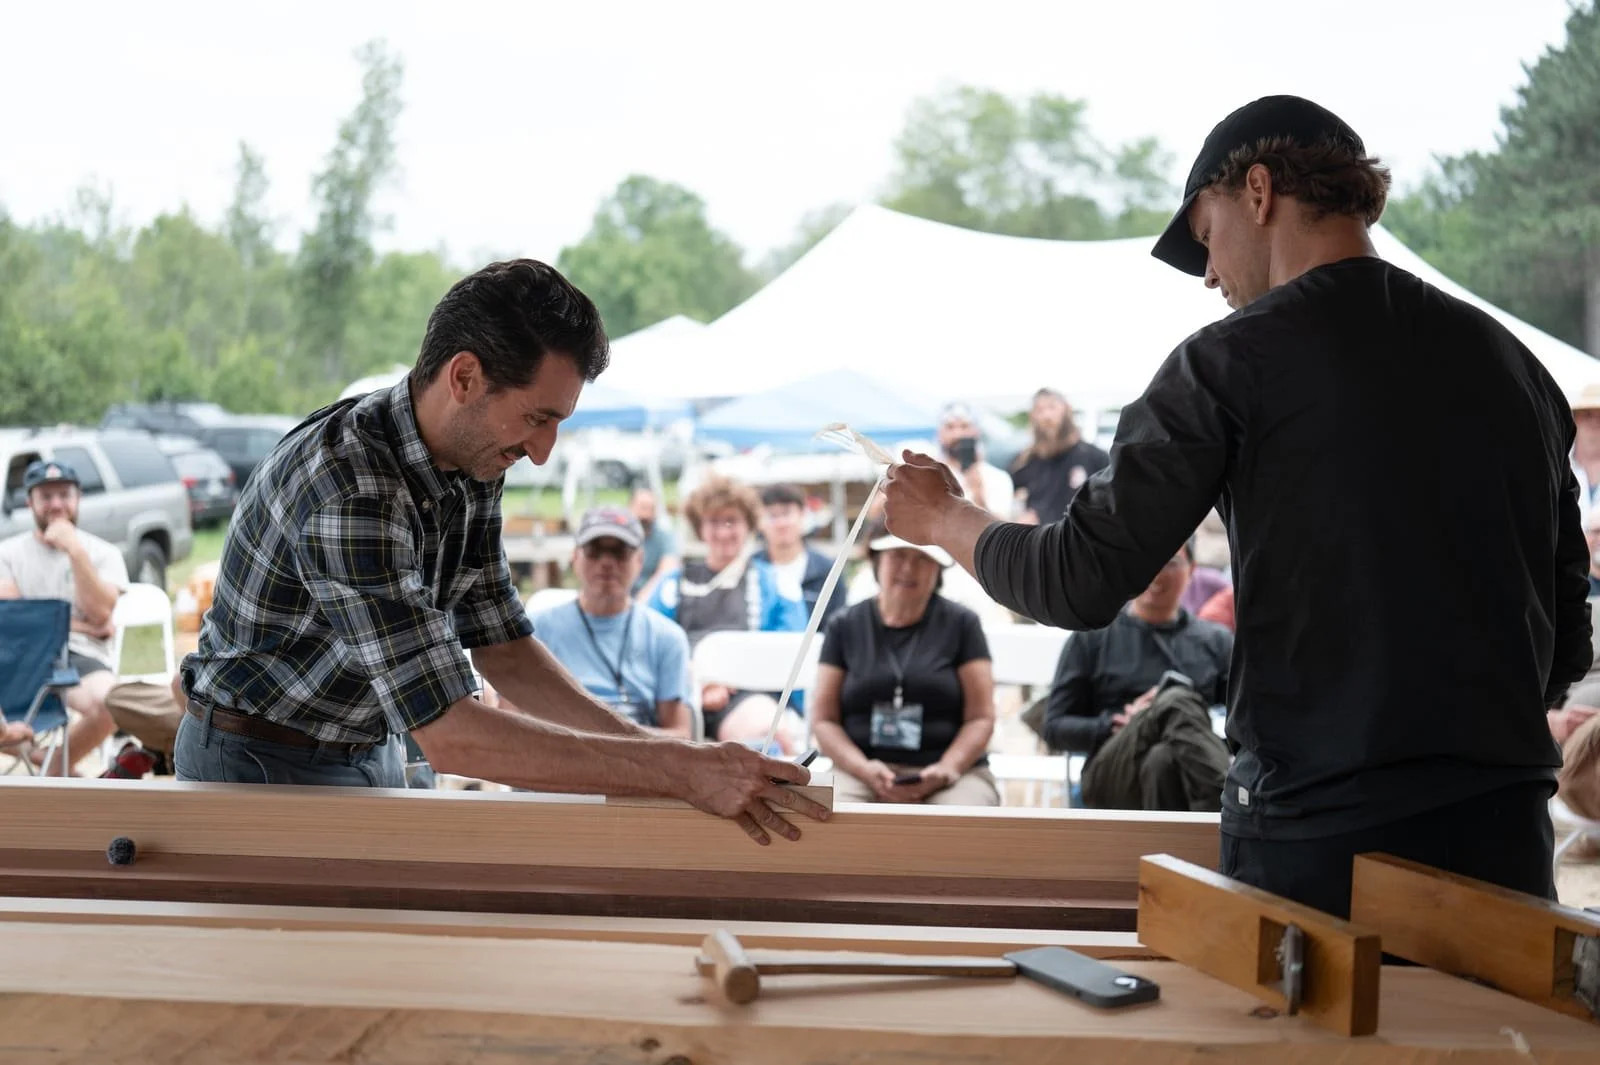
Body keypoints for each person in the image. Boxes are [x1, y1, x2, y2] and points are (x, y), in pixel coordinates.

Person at [882, 94, 1588, 914]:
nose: (1210, 274)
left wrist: (944, 519)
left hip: (1323, 840)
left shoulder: (1228, 363)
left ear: (1259, 192)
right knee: (1488, 1045)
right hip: (1502, 831)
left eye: (1207, 238)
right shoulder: (1513, 364)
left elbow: (1075, 580)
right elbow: (1566, 628)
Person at [177, 260, 823, 846]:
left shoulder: (476, 455)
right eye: (538, 418)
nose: (543, 449)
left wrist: (652, 750)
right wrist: (676, 768)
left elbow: (502, 644)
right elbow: (452, 731)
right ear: (464, 376)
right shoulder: (348, 485)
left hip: (369, 741)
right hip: (258, 758)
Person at [1040, 541, 1232, 811]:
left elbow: (1242, 720)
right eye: (1146, 562)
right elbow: (1054, 728)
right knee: (1175, 697)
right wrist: (1116, 722)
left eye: (1170, 563)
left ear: (1192, 570)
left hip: (1182, 770)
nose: (1156, 573)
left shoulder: (1216, 641)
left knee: (1161, 759)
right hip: (1111, 771)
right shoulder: (1093, 638)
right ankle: (1224, 805)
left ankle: (1172, 849)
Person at [811, 534, 998, 805]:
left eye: (923, 558)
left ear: (938, 569)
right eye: (897, 556)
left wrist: (946, 769)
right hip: (857, 770)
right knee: (831, 815)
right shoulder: (844, 625)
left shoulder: (963, 624)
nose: (909, 568)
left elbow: (980, 717)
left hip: (952, 771)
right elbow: (824, 720)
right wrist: (863, 769)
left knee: (962, 822)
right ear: (876, 561)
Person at [648, 475, 807, 750]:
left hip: (745, 697)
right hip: (678, 695)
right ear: (700, 528)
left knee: (769, 740)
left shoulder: (776, 585)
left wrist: (729, 677)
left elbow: (790, 654)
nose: (723, 532)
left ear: (748, 525)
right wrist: (699, 682)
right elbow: (648, 641)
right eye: (713, 522)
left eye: (731, 521)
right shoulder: (673, 583)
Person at [0, 460, 127, 774]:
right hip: (20, 656)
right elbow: (15, 619)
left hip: (80, 655)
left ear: (78, 498)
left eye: (63, 495)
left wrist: (75, 551)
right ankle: (62, 776)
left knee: (113, 702)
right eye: (46, 497)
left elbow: (100, 611)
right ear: (30, 502)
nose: (56, 504)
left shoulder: (103, 553)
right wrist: (88, 625)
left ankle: (53, 768)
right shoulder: (7, 553)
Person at [528, 506, 694, 737]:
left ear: (640, 560)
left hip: (640, 758)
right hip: (560, 754)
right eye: (594, 550)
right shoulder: (536, 630)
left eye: (620, 552)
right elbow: (513, 716)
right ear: (575, 556)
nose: (606, 562)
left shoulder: (667, 637)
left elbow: (681, 734)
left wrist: (613, 740)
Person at [1010, 388, 1109, 526]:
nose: (1046, 416)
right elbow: (1009, 501)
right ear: (1033, 416)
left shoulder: (1095, 458)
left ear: (1067, 410)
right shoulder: (1024, 462)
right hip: (1037, 541)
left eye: (1052, 407)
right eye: (1039, 410)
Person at [754, 483, 846, 626]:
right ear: (759, 521)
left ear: (802, 515)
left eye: (786, 513)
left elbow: (838, 625)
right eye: (772, 515)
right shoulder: (751, 569)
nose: (781, 523)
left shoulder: (828, 571)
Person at [629, 486, 679, 602]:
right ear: (630, 508)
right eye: (643, 508)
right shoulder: (621, 538)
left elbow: (669, 569)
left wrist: (643, 598)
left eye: (651, 509)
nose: (647, 514)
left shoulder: (664, 536)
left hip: (651, 599)